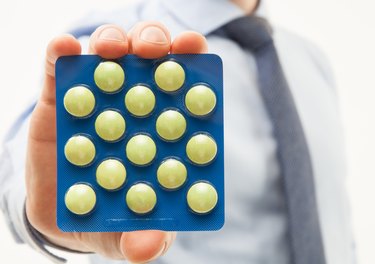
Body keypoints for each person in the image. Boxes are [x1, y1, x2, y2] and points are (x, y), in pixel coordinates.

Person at [0, 0, 355, 263]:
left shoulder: (310, 58)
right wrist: (39, 207)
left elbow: (332, 217)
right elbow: (24, 164)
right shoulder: (112, 50)